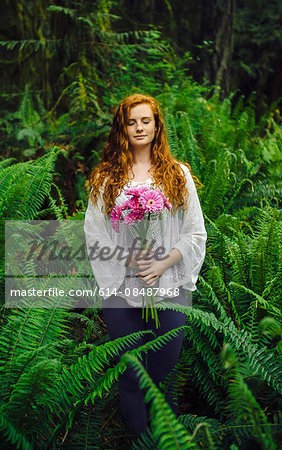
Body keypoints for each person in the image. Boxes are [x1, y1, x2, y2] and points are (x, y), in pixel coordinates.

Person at [84, 93, 207, 435]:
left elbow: (195, 233)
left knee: (164, 377)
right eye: (131, 121)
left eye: (146, 120)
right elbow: (94, 237)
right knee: (130, 376)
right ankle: (138, 440)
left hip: (167, 289)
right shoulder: (107, 179)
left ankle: (165, 440)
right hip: (121, 291)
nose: (139, 127)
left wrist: (163, 264)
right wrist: (129, 260)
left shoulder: (177, 175)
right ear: (122, 127)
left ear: (157, 125)